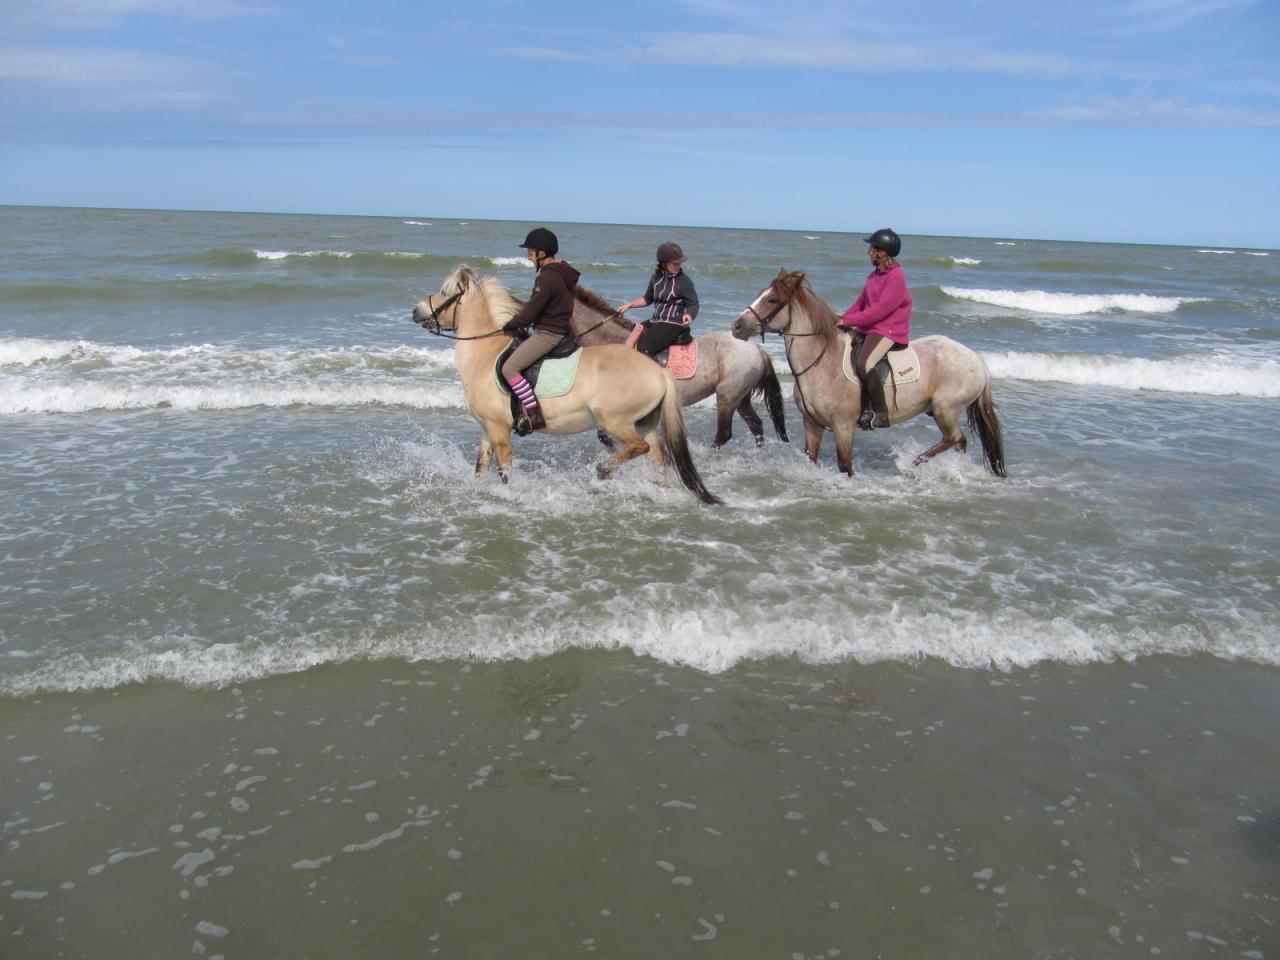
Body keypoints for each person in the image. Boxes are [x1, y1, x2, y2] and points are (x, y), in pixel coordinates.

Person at [500, 227, 581, 433]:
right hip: (562, 330)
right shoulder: (562, 272)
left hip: (548, 334)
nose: (528, 256)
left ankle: (533, 414)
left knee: (509, 369)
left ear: (541, 253)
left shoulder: (546, 278)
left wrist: (512, 324)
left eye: (530, 252)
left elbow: (532, 310)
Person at [838, 228, 911, 429]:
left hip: (888, 330)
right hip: (871, 327)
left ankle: (881, 414)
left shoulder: (896, 277)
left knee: (864, 364)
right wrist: (842, 318)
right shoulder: (875, 275)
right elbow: (861, 303)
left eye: (871, 248)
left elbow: (879, 311)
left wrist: (849, 321)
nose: (868, 252)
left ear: (881, 252)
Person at [617, 241, 698, 358]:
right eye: (674, 263)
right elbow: (648, 298)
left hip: (673, 323)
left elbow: (693, 304)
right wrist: (629, 305)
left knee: (643, 349)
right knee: (630, 336)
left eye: (679, 263)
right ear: (664, 263)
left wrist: (689, 314)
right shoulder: (656, 278)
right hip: (655, 321)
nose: (678, 266)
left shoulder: (684, 282)